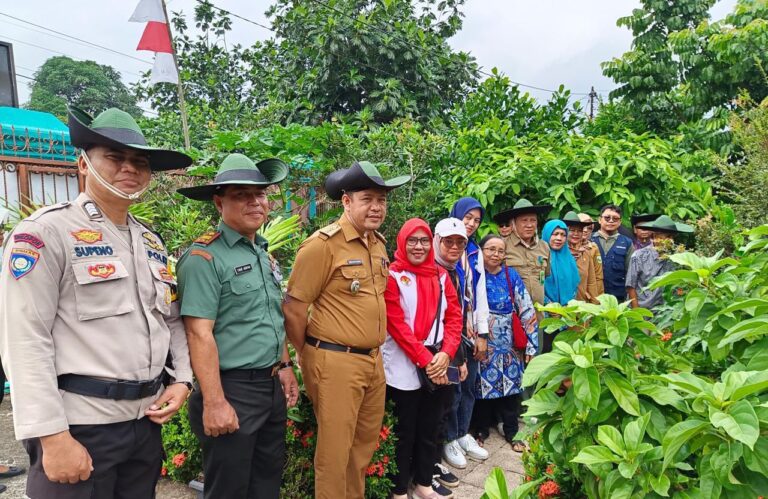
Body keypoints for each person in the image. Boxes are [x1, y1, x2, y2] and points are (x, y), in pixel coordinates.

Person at [0, 106, 194, 498]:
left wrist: (184, 379)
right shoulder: (46, 232)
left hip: (143, 425)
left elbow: (170, 320)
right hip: (80, 426)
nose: (130, 168)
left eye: (139, 161)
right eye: (115, 157)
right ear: (83, 163)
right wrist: (52, 437)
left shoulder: (150, 242)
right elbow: (24, 338)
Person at [283, 161, 410, 499]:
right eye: (367, 198)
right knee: (335, 455)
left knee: (362, 449)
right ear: (346, 202)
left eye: (382, 200)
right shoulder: (322, 245)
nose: (377, 207)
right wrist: (309, 355)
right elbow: (294, 310)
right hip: (336, 362)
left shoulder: (378, 244)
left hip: (372, 361)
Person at [176, 154, 299, 498]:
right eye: (242, 194)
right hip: (231, 390)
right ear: (219, 202)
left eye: (260, 194)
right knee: (228, 489)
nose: (255, 202)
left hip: (270, 386)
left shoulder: (262, 253)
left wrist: (285, 365)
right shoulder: (204, 259)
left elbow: (271, 318)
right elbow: (198, 333)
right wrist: (214, 402)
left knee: (266, 482)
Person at [383, 219, 462, 499]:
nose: (418, 246)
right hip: (403, 366)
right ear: (402, 242)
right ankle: (398, 488)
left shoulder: (440, 275)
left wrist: (445, 353)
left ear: (431, 243)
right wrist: (427, 360)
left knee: (431, 427)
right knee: (405, 431)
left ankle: (424, 483)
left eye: (424, 240)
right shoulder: (392, 276)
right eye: (412, 241)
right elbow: (396, 324)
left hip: (438, 362)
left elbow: (454, 317)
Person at [472, 234, 538, 453]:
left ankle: (512, 432)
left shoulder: (511, 276)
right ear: (481, 250)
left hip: (508, 343)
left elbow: (526, 308)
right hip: (482, 342)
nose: (496, 254)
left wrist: (531, 342)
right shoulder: (475, 275)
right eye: (491, 249)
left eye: (500, 251)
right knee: (481, 387)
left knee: (511, 389)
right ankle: (481, 430)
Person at [443, 198, 489, 466]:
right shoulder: (444, 248)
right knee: (452, 387)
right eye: (467, 217)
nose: (471, 224)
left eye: (476, 220)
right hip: (450, 329)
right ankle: (448, 438)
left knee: (469, 384)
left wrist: (482, 333)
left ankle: (462, 433)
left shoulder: (474, 251)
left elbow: (479, 293)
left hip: (470, 327)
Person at [494, 198, 551, 329]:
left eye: (533, 220)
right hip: (511, 318)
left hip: (538, 318)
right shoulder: (502, 245)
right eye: (524, 221)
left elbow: (544, 276)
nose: (529, 225)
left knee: (538, 349)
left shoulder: (544, 247)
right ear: (513, 224)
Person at [626, 215, 694, 310]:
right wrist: (637, 314)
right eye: (667, 236)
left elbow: (681, 285)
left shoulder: (679, 258)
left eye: (672, 236)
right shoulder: (638, 256)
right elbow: (631, 286)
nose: (670, 240)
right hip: (645, 309)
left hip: (668, 311)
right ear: (655, 236)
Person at [541, 220, 580, 353]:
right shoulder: (539, 257)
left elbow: (574, 285)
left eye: (563, 234)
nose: (559, 238)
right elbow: (535, 284)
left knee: (562, 352)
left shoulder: (569, 258)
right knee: (545, 351)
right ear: (547, 235)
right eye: (555, 234)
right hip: (544, 314)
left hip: (566, 315)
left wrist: (565, 308)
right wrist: (550, 306)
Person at [591, 205, 634, 302]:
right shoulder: (589, 240)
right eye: (607, 218)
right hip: (592, 296)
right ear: (599, 220)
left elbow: (630, 273)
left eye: (615, 218)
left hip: (618, 297)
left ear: (620, 222)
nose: (611, 221)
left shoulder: (627, 243)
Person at [563, 212, 600, 304]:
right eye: (572, 230)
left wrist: (595, 306)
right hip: (561, 307)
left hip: (582, 304)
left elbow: (592, 283)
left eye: (579, 231)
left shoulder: (585, 253)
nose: (576, 234)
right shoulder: (556, 254)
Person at [578, 213, 604, 295]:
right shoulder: (564, 247)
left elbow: (598, 276)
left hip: (588, 293)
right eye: (582, 226)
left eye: (589, 228)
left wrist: (599, 299)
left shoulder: (593, 248)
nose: (585, 230)